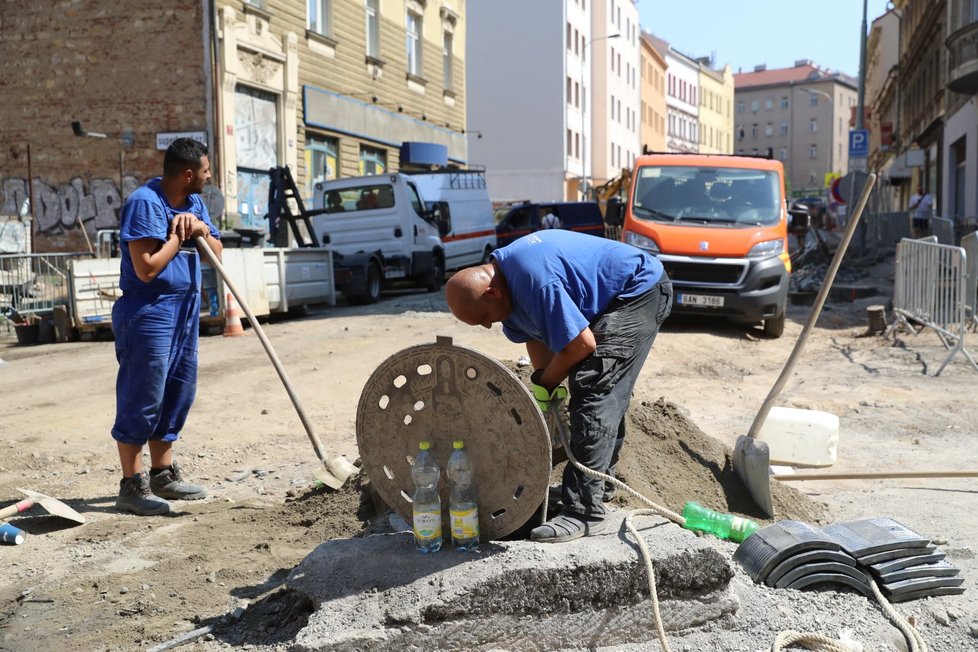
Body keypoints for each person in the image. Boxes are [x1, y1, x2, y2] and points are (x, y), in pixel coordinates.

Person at [445, 230, 672, 543]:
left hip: (637, 291)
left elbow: (580, 345)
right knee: (600, 383)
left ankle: (584, 509)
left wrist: (548, 380)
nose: (487, 325)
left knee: (595, 383)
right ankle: (600, 482)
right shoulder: (506, 289)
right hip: (609, 298)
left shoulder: (533, 280)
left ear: (491, 294)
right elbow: (536, 335)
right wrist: (544, 386)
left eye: (484, 318)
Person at [111, 138, 223, 516]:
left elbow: (217, 255)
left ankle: (163, 474)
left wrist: (202, 230)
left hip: (185, 310)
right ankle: (132, 485)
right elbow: (146, 268)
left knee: (178, 392)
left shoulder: (194, 203)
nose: (209, 177)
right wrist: (178, 236)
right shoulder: (144, 202)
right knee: (143, 395)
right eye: (206, 171)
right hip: (149, 311)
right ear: (188, 174)